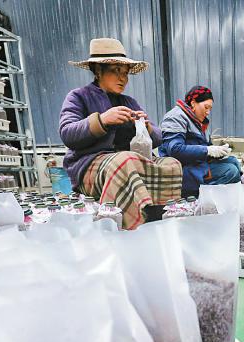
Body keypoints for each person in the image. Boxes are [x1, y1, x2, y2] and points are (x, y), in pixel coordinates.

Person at [59, 38, 182, 229]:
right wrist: (102, 120)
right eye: (116, 71)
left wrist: (146, 127)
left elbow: (158, 138)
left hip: (127, 162)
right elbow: (67, 133)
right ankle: (126, 227)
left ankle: (160, 220)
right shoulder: (78, 96)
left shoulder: (129, 102)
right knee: (125, 161)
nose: (123, 78)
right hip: (89, 165)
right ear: (98, 70)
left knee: (171, 164)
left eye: (125, 73)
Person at [158, 85, 241, 198]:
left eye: (210, 109)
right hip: (183, 170)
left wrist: (219, 152)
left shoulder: (198, 121)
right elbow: (175, 149)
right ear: (193, 103)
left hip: (196, 163)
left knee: (234, 161)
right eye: (206, 107)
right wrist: (207, 150)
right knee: (230, 171)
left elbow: (204, 146)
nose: (208, 112)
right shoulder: (175, 117)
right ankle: (198, 199)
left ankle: (228, 200)